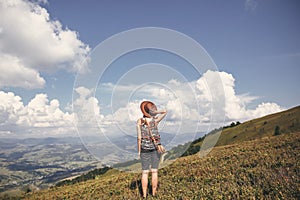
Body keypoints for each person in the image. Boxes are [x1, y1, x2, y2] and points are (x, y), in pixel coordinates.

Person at [136, 101, 167, 198]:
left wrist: (139, 151)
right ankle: (153, 194)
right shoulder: (155, 121)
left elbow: (139, 138)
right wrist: (156, 112)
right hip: (155, 149)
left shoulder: (139, 122)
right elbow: (165, 112)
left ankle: (144, 195)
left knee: (145, 172)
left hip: (144, 149)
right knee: (154, 171)